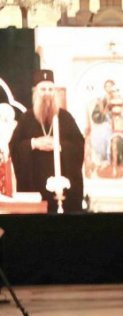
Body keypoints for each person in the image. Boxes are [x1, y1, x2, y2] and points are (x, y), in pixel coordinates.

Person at [8, 70, 85, 213]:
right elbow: (14, 146)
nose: (47, 93)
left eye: (50, 89)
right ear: (35, 92)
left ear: (55, 92)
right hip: (34, 185)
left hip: (62, 188)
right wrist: (34, 143)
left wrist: (60, 146)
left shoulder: (66, 118)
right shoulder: (26, 118)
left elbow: (79, 146)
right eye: (43, 89)